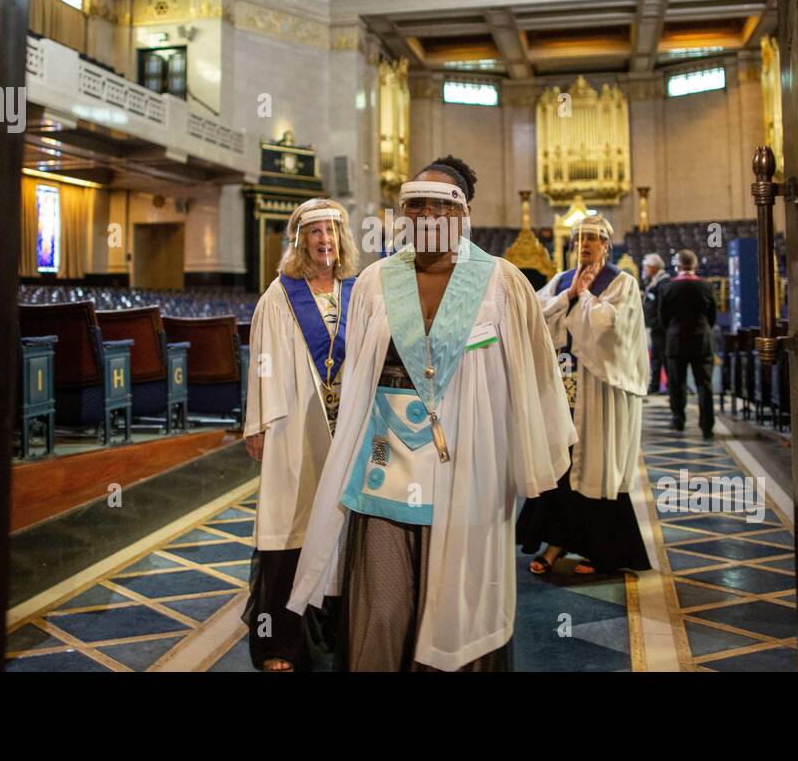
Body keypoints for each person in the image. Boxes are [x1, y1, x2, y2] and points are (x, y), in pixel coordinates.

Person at [287, 156, 573, 671]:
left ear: (463, 215)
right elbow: (357, 378)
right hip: (384, 459)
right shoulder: (374, 283)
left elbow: (538, 378)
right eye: (414, 204)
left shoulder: (504, 284)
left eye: (441, 204)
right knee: (382, 606)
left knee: (459, 604)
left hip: (472, 464)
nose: (426, 214)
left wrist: (531, 461)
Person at [241, 198, 358, 671]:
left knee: (341, 530)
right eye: (315, 233)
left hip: (347, 429)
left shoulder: (357, 291)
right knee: (290, 531)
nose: (324, 240)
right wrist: (259, 423)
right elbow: (262, 363)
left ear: (341, 239)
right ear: (301, 241)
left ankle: (339, 633)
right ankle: (281, 644)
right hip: (294, 428)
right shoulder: (279, 295)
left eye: (331, 231)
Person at [517, 216, 653, 576]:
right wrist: (570, 295)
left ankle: (602, 550)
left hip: (598, 392)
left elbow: (615, 329)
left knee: (594, 465)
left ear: (607, 245)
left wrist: (588, 298)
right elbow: (534, 315)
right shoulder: (562, 280)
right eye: (580, 239)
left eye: (593, 239)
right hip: (563, 387)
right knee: (560, 467)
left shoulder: (622, 283)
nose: (585, 244)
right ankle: (556, 542)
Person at [657, 248, 717, 438]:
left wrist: (674, 330)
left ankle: (678, 420)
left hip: (676, 342)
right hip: (702, 341)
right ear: (695, 265)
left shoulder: (667, 288)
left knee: (676, 384)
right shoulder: (706, 287)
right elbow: (712, 317)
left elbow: (662, 318)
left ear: (677, 266)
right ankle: (707, 426)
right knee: (704, 385)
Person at [642, 253, 671, 394]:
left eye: (646, 267)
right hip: (655, 326)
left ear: (653, 267)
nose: (645, 270)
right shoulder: (654, 281)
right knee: (656, 357)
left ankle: (667, 386)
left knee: (663, 357)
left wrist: (657, 322)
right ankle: (655, 385)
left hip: (661, 328)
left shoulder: (663, 282)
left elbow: (662, 306)